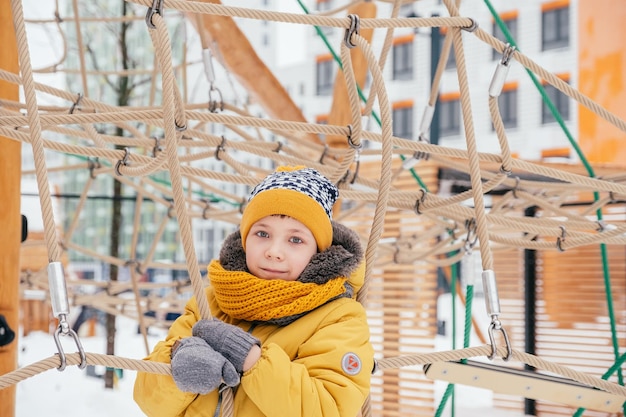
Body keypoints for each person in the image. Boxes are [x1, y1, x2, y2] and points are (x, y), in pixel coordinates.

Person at [134, 165, 374, 417]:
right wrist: (179, 367)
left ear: (318, 251)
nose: (274, 251)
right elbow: (148, 400)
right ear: (245, 240)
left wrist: (251, 359)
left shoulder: (339, 317)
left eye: (295, 240)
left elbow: (329, 409)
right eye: (262, 233)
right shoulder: (209, 303)